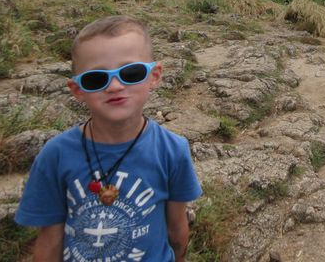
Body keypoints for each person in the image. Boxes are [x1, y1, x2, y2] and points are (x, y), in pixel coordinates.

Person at [15, 16, 202, 262]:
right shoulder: (56, 155)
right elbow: (50, 239)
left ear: (154, 76)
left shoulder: (172, 150)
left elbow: (177, 229)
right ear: (78, 90)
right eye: (96, 79)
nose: (114, 86)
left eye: (131, 73)